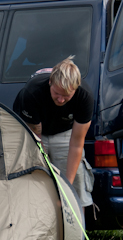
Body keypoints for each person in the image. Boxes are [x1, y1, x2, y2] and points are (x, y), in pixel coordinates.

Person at [12, 57, 95, 207]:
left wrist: (67, 190)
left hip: (65, 132)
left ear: (75, 90)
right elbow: (36, 140)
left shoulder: (85, 97)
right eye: (57, 93)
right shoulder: (32, 92)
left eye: (67, 96)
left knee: (75, 183)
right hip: (35, 132)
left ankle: (78, 227)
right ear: (51, 82)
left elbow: (77, 144)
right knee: (38, 180)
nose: (61, 100)